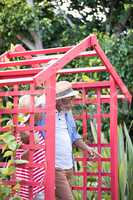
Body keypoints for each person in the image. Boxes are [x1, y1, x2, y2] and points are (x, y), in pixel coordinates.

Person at [55, 81, 100, 200]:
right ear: (60, 100)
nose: (72, 103)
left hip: (68, 166)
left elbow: (74, 136)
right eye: (69, 99)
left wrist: (87, 148)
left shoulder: (67, 113)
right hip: (55, 167)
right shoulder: (45, 115)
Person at [16, 94, 46, 200]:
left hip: (38, 182)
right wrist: (32, 147)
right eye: (39, 108)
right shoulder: (23, 130)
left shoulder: (33, 128)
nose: (42, 110)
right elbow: (21, 159)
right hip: (31, 183)